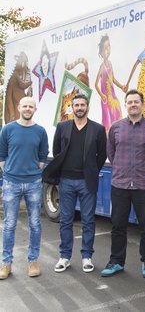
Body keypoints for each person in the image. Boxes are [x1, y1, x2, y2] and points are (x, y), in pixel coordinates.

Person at [101, 89, 145, 277]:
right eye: (130, 102)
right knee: (118, 225)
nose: (133, 105)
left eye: (136, 102)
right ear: (126, 105)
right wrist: (121, 167)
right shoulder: (116, 127)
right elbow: (111, 152)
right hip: (119, 185)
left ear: (143, 105)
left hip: (144, 185)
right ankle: (116, 261)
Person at [42, 94, 107, 273]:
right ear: (72, 107)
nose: (79, 107)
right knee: (65, 221)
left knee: (88, 221)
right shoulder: (63, 127)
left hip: (87, 182)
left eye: (82, 105)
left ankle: (87, 257)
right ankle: (65, 256)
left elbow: (102, 155)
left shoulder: (98, 129)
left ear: (87, 107)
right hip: (66, 181)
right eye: (76, 105)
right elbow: (57, 151)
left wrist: (92, 171)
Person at [0, 96, 49, 279]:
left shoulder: (40, 131)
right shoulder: (8, 129)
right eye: (25, 105)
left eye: (31, 106)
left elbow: (44, 154)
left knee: (35, 224)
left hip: (34, 183)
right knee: (10, 225)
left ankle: (33, 261)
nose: (27, 109)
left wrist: (37, 169)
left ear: (35, 109)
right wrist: (10, 172)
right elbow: (1, 154)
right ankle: (6, 264)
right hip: (11, 183)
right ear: (19, 107)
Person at [95, 34, 126, 133]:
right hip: (106, 100)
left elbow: (113, 79)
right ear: (101, 52)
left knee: (117, 114)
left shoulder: (111, 64)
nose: (107, 50)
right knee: (108, 121)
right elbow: (95, 84)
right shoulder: (102, 67)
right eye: (105, 48)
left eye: (109, 46)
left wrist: (121, 86)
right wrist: (102, 95)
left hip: (113, 97)